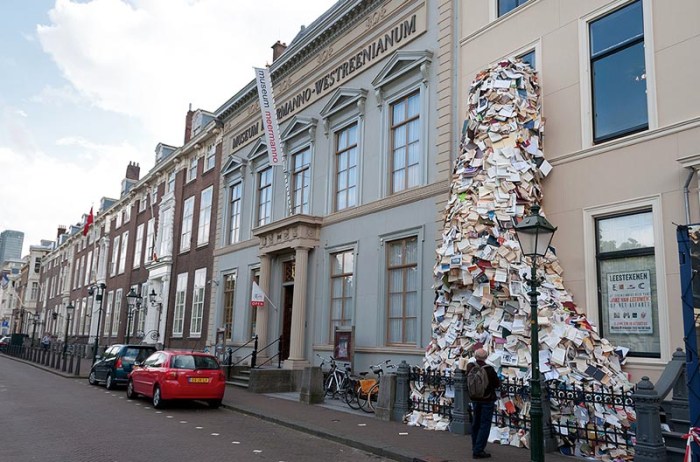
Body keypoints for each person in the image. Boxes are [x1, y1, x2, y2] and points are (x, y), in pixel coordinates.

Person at [467, 348, 501, 459]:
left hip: (475, 399)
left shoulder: (470, 367)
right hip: (487, 400)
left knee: (476, 423)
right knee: (484, 425)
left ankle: (475, 445)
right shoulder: (489, 369)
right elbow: (496, 384)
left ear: (475, 356)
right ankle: (478, 450)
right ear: (486, 357)